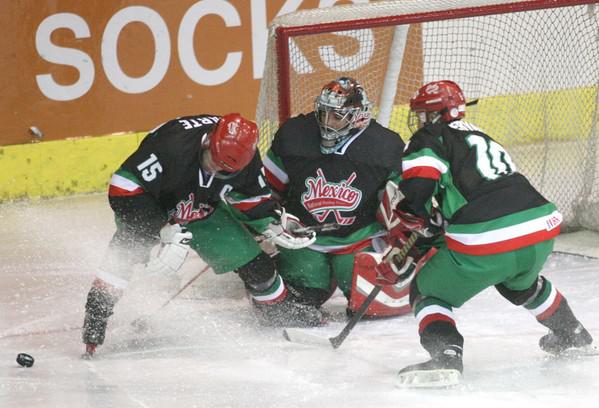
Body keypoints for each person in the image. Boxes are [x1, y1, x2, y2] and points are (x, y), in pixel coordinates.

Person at [374, 80, 594, 387]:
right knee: (519, 284)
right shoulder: (480, 135)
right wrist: (425, 229)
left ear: (438, 114)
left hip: (489, 234)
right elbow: (455, 208)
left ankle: (446, 355)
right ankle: (572, 333)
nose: (421, 121)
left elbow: (419, 190)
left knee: (427, 292)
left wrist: (408, 224)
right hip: (540, 224)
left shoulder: (431, 136)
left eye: (425, 114)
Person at [82, 113, 318, 356]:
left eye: (224, 172)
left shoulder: (246, 156)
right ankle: (96, 316)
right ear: (207, 142)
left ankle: (278, 308)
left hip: (199, 208)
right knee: (126, 253)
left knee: (256, 265)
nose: (215, 170)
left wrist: (274, 222)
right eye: (211, 162)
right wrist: (161, 229)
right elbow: (124, 188)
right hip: (150, 205)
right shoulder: (172, 145)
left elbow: (251, 198)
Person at [259, 76, 423, 325]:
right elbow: (269, 188)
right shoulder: (294, 136)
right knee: (301, 296)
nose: (327, 122)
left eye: (336, 116)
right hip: (305, 238)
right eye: (324, 114)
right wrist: (272, 222)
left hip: (358, 238)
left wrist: (402, 239)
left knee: (369, 304)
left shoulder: (385, 147)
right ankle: (304, 273)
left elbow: (402, 205)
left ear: (357, 116)